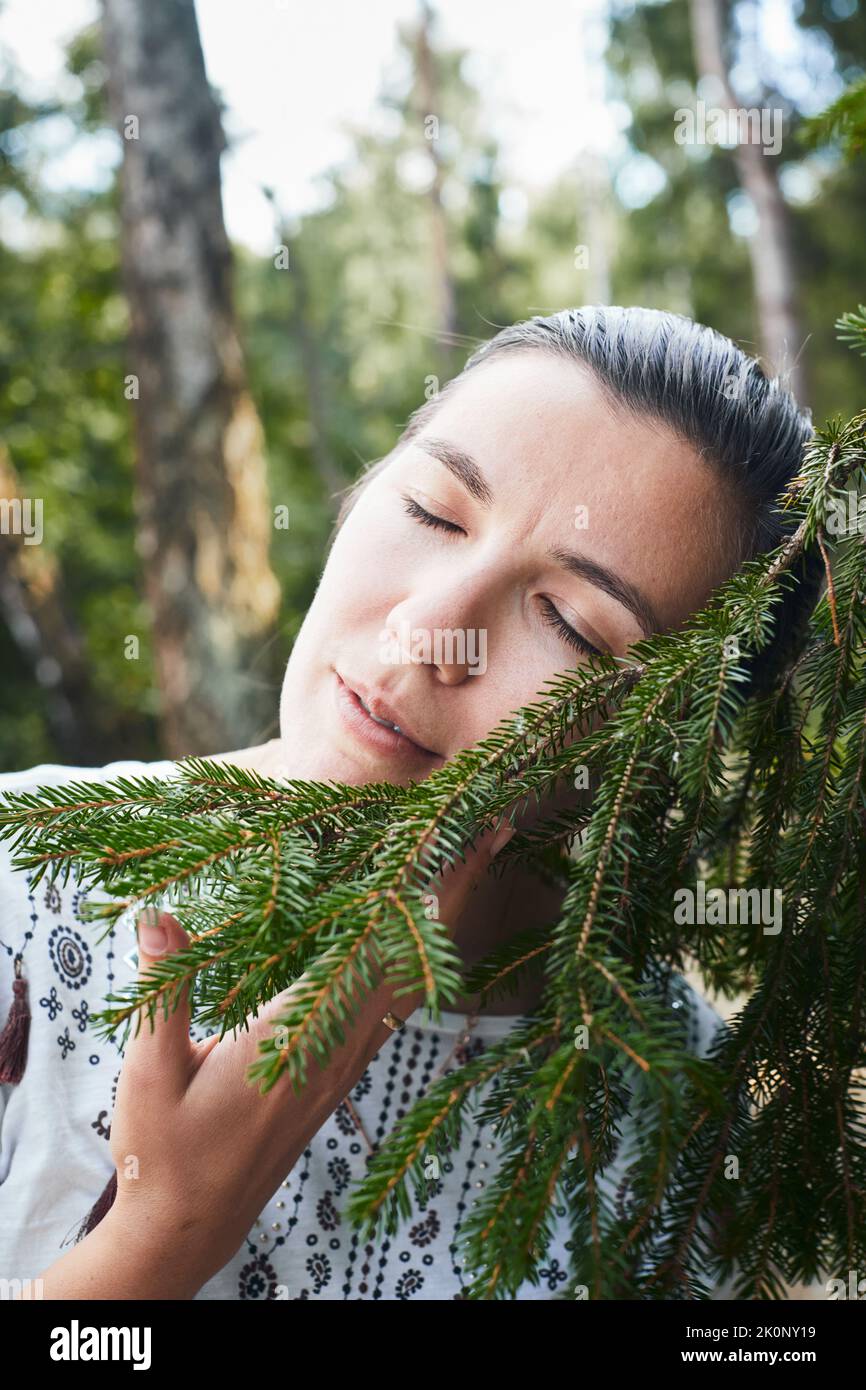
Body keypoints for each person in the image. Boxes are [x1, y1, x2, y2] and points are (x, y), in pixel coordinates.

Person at [0, 306, 821, 1301]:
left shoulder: (687, 1136)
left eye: (566, 620)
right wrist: (156, 1245)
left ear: (659, 749)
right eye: (431, 510)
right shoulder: (21, 892)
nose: (429, 627)